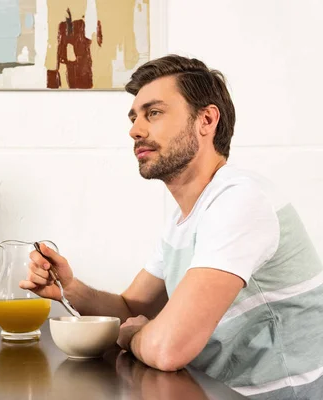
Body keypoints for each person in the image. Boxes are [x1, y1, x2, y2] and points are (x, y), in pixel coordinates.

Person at [20, 55, 323, 397]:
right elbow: (131, 309)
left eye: (154, 113)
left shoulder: (240, 201)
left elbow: (168, 349)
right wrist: (71, 289)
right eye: (135, 118)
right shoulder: (183, 220)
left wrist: (133, 335)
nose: (135, 129)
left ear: (206, 120)